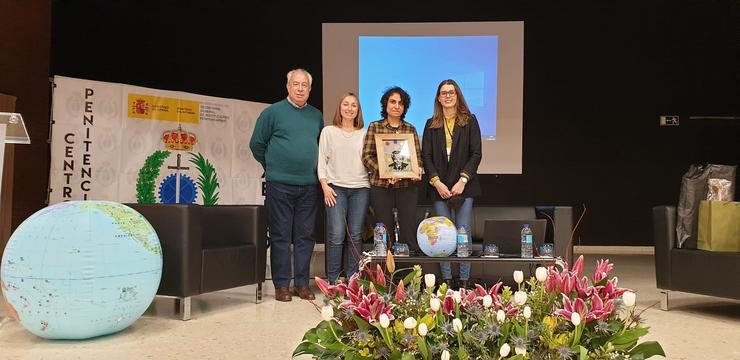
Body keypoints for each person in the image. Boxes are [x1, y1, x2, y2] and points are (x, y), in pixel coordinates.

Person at [249, 68, 323, 302]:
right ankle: (282, 285)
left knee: (305, 236)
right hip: (279, 184)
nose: (300, 88)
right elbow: (256, 145)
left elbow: (321, 147)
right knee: (280, 235)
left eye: (305, 85)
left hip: (309, 186)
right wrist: (272, 167)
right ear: (288, 87)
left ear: (310, 90)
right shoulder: (272, 113)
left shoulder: (316, 115)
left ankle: (302, 284)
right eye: (296, 84)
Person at [421, 79, 482, 289]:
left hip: (464, 186)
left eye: (451, 92)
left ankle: (464, 280)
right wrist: (436, 182)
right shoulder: (431, 124)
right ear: (438, 97)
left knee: (463, 232)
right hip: (439, 188)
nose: (447, 96)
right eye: (443, 93)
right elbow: (426, 157)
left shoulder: (470, 121)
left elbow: (476, 153)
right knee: (442, 236)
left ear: (458, 96)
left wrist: (463, 180)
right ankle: (447, 280)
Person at [362, 86, 422, 252]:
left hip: (407, 187)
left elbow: (417, 158)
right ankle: (383, 277)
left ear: (405, 107)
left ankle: (408, 276)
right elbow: (367, 156)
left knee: (408, 232)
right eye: (393, 102)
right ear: (385, 104)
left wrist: (417, 171)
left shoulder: (410, 129)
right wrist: (385, 173)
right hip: (381, 187)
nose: (396, 106)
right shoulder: (375, 127)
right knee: (383, 232)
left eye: (401, 103)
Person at [318, 93, 369, 284]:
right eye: (345, 104)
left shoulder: (365, 133)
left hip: (361, 189)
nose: (349, 108)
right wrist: (324, 186)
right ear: (340, 108)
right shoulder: (328, 132)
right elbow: (321, 161)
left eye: (354, 105)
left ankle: (353, 280)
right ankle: (332, 281)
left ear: (358, 110)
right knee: (336, 235)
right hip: (335, 189)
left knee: (355, 236)